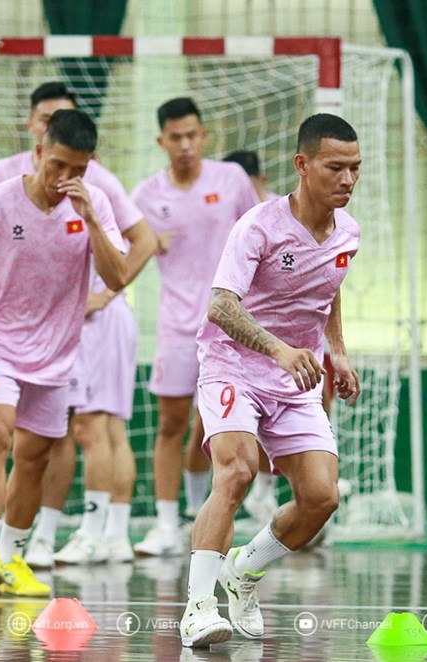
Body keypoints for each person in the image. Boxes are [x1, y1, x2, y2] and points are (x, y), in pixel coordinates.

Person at [0, 82, 158, 570]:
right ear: (38, 153)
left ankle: (12, 560)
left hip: (55, 352)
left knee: (36, 456)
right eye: (57, 166)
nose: (64, 178)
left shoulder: (94, 205)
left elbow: (117, 276)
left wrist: (92, 218)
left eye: (78, 169)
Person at [178, 113, 362, 648]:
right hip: (234, 365)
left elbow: (329, 286)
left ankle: (243, 571)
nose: (347, 179)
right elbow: (220, 307)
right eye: (336, 167)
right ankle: (197, 608)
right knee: (235, 474)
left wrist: (339, 352)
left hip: (295, 378)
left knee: (321, 498)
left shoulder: (347, 231)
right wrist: (278, 348)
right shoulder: (258, 225)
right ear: (303, 165)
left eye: (355, 168)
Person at [130, 97, 259, 557]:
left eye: (192, 135)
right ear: (161, 141)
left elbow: (260, 234)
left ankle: (210, 511)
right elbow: (121, 248)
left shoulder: (232, 180)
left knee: (216, 426)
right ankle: (168, 524)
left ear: (204, 136)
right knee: (171, 424)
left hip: (232, 325)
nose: (184, 145)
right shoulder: (145, 196)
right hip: (176, 326)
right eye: (175, 137)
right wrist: (147, 245)